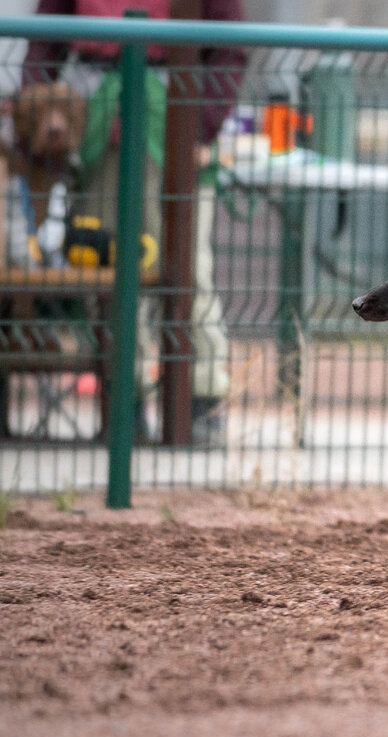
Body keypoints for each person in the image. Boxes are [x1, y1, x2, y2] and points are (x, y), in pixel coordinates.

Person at [23, 0, 246, 445]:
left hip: (175, 116)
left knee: (187, 271)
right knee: (108, 273)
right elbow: (44, 42)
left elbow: (229, 47)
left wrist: (202, 126)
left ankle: (200, 401)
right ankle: (125, 404)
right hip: (98, 125)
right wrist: (38, 111)